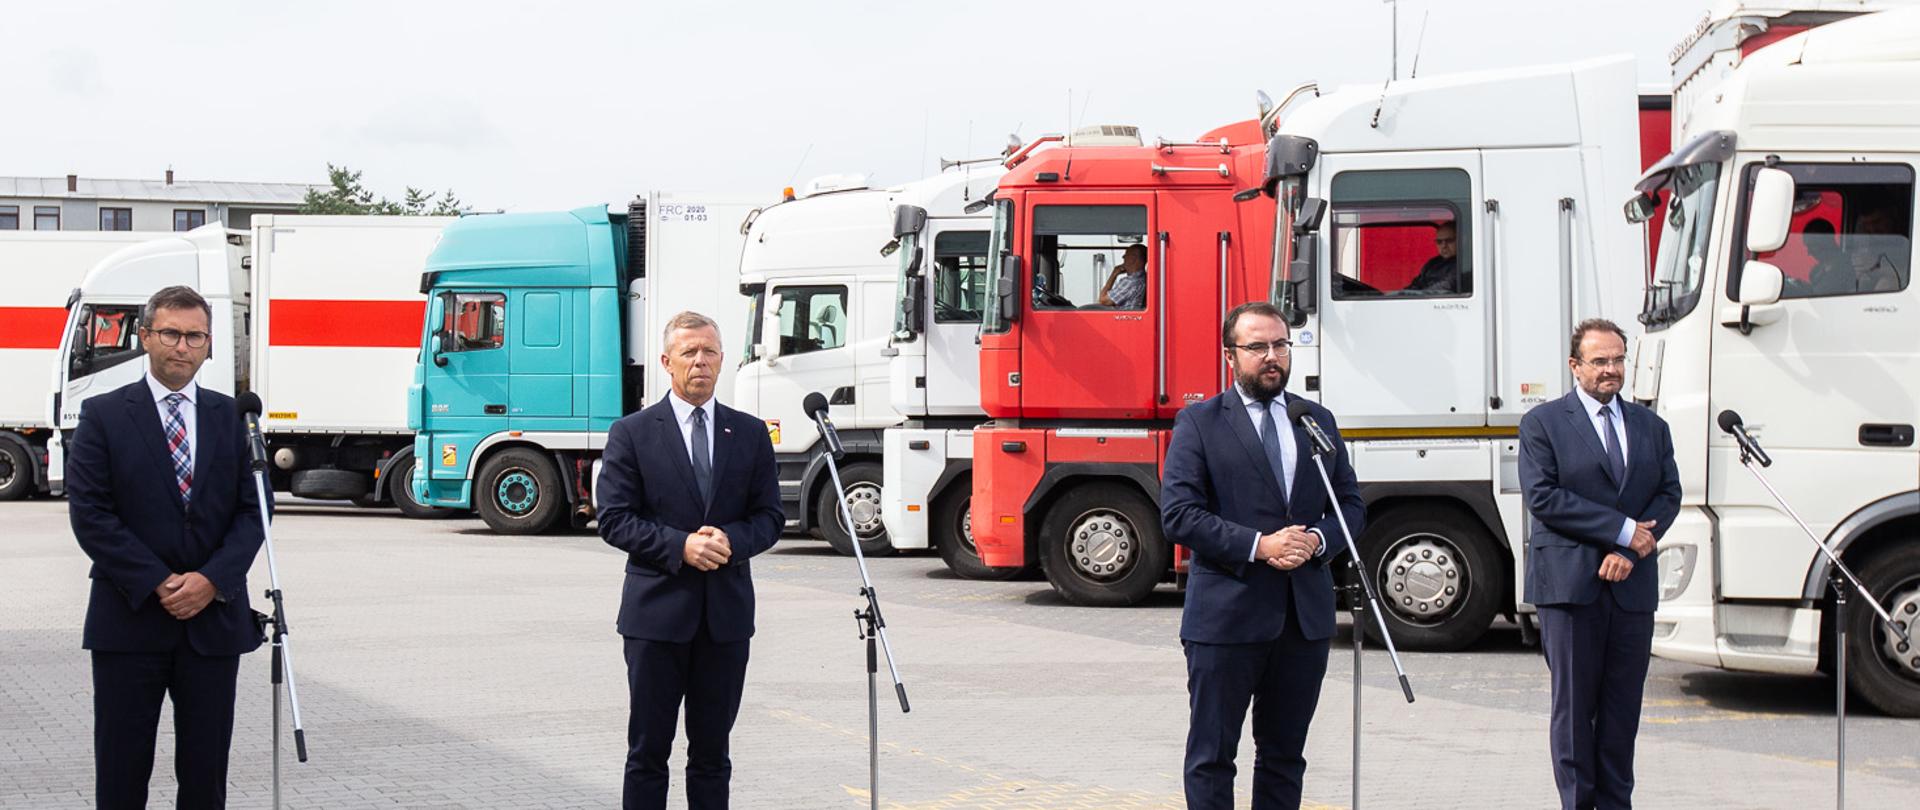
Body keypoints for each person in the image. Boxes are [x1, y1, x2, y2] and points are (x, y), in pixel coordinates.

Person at [1161, 301, 1366, 810]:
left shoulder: (1314, 419)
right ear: (1229, 353)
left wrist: (1317, 541)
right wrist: (1261, 545)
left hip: (1303, 620)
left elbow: (1350, 505)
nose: (1271, 357)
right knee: (1213, 756)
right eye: (1257, 347)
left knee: (1284, 757)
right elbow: (1180, 515)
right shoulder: (1200, 422)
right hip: (1227, 618)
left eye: (1279, 345)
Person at [68, 285, 266, 810]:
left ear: (208, 344)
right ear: (146, 337)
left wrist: (211, 581)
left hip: (213, 622)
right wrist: (158, 580)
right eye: (171, 333)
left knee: (205, 776)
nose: (182, 346)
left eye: (195, 336)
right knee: (121, 770)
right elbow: (90, 514)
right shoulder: (103, 415)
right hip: (129, 620)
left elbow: (256, 513)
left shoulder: (235, 419)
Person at [596, 310, 784, 810]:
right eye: (689, 353)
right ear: (666, 362)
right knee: (648, 754)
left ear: (723, 360)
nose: (700, 361)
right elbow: (613, 519)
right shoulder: (632, 433)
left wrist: (731, 541)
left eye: (709, 352)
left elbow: (769, 517)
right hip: (656, 620)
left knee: (712, 756)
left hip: (724, 622)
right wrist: (680, 547)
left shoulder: (748, 433)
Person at [1519, 318, 1682, 810]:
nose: (1611, 371)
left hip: (1631, 589)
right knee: (1573, 713)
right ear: (1575, 366)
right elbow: (1544, 498)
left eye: (1618, 360)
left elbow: (1667, 494)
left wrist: (1630, 548)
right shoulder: (1543, 423)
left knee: (1620, 712)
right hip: (1570, 588)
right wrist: (1621, 530)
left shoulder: (1651, 427)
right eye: (1600, 361)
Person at [1405, 221, 1460, 293]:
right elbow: (1417, 284)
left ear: (1461, 240)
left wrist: (1420, 295)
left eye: (1449, 241)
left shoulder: (1463, 263)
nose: (1444, 246)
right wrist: (1402, 294)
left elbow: (1447, 285)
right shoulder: (1432, 263)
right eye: (1439, 242)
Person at [1099, 243, 1149, 308]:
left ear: (1133, 258)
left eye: (1126, 255)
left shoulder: (1131, 281)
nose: (1123, 257)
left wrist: (1114, 274)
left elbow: (1103, 300)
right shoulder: (1144, 278)